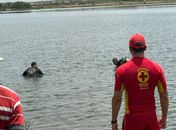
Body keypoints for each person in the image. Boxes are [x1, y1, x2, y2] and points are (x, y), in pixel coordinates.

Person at [111, 34, 169, 130]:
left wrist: (114, 121)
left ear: (130, 49)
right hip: (151, 118)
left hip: (132, 119)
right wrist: (164, 117)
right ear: (145, 48)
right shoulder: (157, 69)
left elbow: (117, 98)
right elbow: (164, 96)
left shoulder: (122, 71)